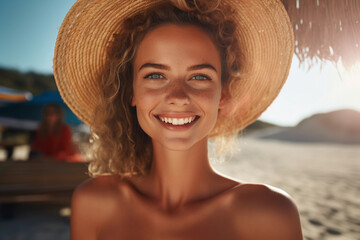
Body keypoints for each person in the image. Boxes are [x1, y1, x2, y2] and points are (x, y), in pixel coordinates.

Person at [53, 0, 303, 239]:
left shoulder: (270, 214)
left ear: (223, 95)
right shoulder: (93, 202)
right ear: (131, 91)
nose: (178, 96)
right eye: (155, 75)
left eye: (199, 77)